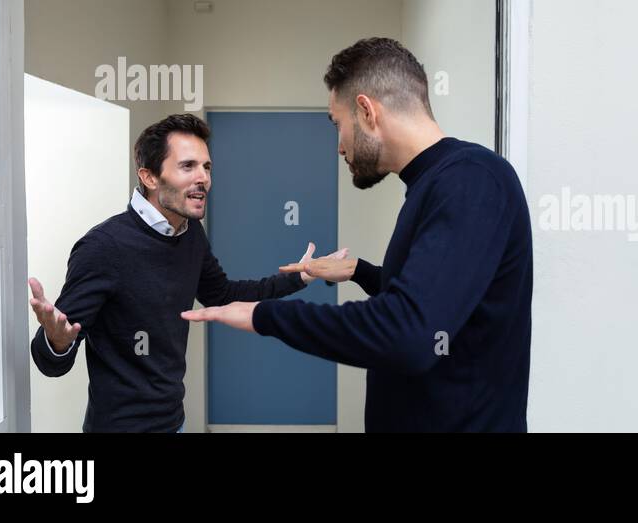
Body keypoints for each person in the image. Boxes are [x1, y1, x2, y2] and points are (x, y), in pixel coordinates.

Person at [183, 38, 533, 432]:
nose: (339, 146)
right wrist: (359, 271)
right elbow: (439, 300)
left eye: (338, 124)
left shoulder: (470, 180)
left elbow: (410, 333)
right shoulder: (437, 183)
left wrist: (264, 315)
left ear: (366, 111)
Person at [29, 113, 344, 432]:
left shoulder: (189, 232)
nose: (203, 178)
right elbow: (51, 358)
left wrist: (301, 276)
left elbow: (223, 296)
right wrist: (57, 342)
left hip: (173, 422)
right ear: (150, 177)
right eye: (188, 166)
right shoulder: (104, 247)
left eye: (206, 167)